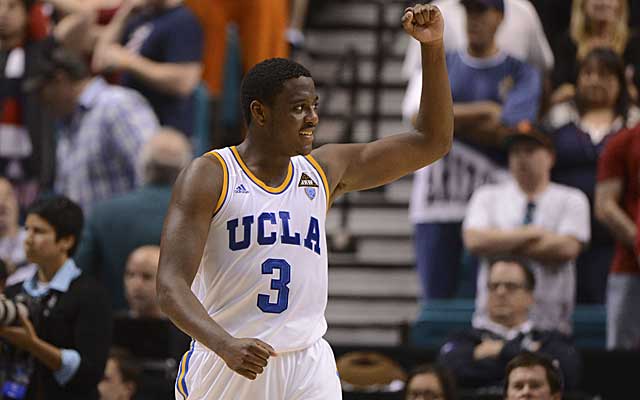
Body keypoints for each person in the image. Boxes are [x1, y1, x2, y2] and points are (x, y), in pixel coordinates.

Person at [157, 4, 453, 399]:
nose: (312, 118)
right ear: (260, 113)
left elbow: (432, 141)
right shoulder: (211, 174)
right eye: (299, 108)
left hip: (308, 360)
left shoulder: (323, 170)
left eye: (314, 106)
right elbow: (170, 285)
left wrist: (432, 48)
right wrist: (223, 343)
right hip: (230, 357)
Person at [406, 0, 542, 300]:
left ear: (500, 17)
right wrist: (487, 110)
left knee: (492, 296)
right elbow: (418, 118)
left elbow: (510, 129)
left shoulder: (520, 71)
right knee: (436, 299)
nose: (474, 20)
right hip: (438, 200)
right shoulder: (440, 61)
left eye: (482, 11)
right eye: (469, 11)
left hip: (495, 201)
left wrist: (447, 120)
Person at [463, 122, 590, 334]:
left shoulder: (572, 198)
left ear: (550, 157)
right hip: (491, 326)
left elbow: (566, 249)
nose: (521, 158)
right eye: (515, 152)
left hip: (551, 324)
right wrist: (533, 233)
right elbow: (474, 241)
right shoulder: (487, 196)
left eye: (530, 151)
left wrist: (500, 243)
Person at [543, 47, 640, 304]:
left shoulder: (634, 123)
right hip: (562, 234)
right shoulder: (556, 118)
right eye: (588, 73)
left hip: (616, 237)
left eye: (605, 75)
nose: (595, 80)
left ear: (621, 83)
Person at [24, 41, 158, 212]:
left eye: (41, 91)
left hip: (125, 233)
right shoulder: (67, 125)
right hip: (87, 236)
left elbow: (153, 176)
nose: (41, 102)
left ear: (60, 79)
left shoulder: (117, 105)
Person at [0, 196, 112, 399]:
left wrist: (32, 344)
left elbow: (90, 372)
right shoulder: (14, 292)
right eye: (27, 229)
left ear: (66, 241)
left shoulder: (91, 295)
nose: (28, 239)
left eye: (39, 231)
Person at [74, 128, 191, 310]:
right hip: (183, 332)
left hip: (112, 328)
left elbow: (78, 276)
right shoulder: (199, 216)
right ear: (186, 170)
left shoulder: (102, 213)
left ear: (143, 166)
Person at [439, 258, 580, 391]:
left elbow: (566, 374)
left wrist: (501, 350)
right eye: (493, 286)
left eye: (511, 286)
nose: (501, 292)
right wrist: (529, 357)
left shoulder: (552, 340)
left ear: (530, 296)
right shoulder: (462, 338)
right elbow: (449, 375)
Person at [93, 0, 203, 136]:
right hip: (128, 124)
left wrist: (129, 62)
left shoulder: (183, 21)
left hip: (162, 130)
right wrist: (123, 15)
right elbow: (100, 61)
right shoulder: (140, 17)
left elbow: (184, 82)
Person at [595, 121, 640, 349]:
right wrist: (637, 240)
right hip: (630, 268)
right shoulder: (624, 142)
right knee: (624, 361)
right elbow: (604, 206)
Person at [551, 0, 640, 104]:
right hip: (576, 111)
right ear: (582, 4)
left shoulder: (634, 44)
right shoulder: (568, 42)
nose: (604, 3)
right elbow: (559, 92)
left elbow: (634, 93)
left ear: (620, 5)